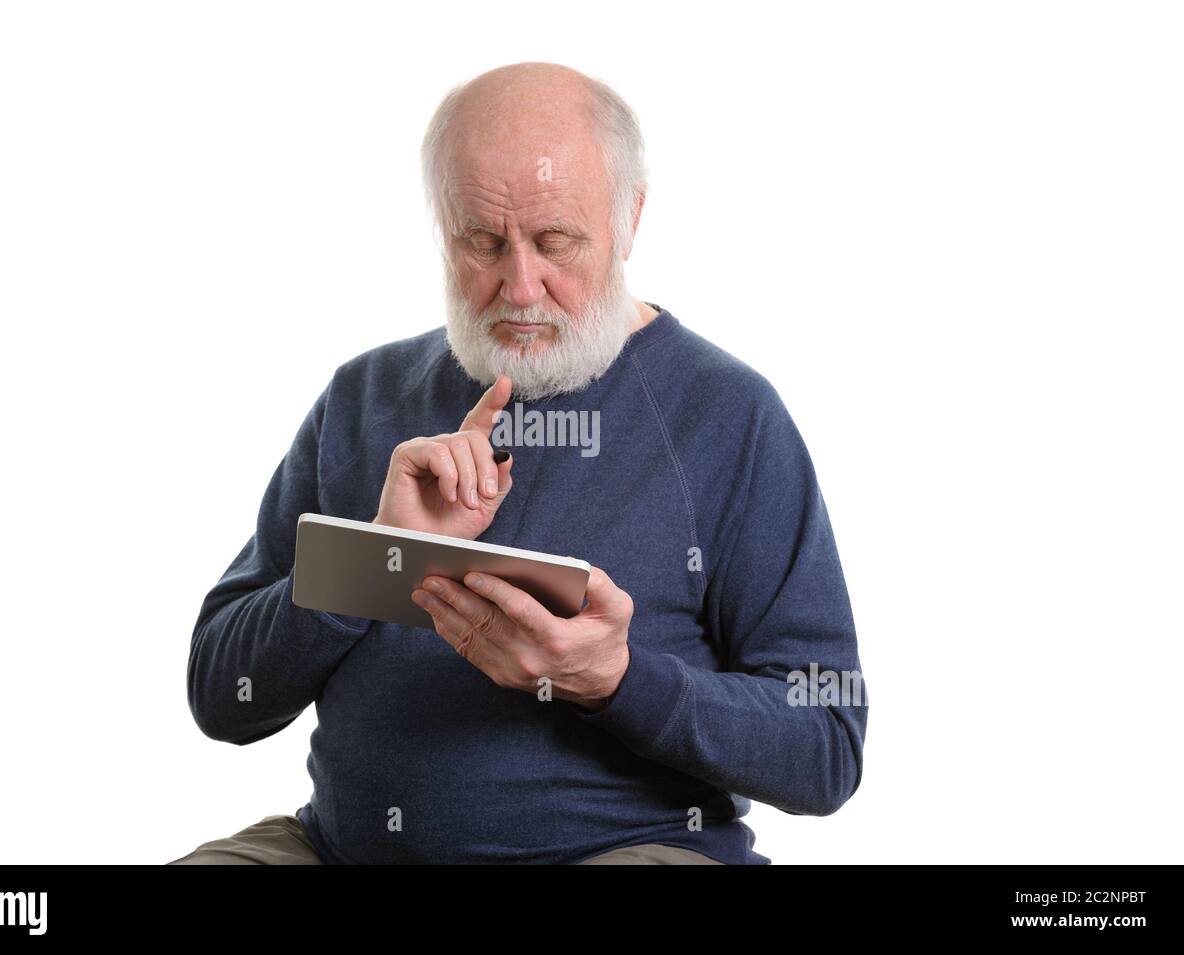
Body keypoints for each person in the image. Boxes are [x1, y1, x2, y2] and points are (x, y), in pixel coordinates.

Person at [169, 61, 867, 865]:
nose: (520, 284)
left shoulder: (730, 417)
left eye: (556, 240)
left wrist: (617, 678)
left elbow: (827, 746)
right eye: (482, 241)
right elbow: (221, 699)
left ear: (630, 218)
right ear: (442, 225)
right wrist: (366, 563)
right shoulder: (363, 397)